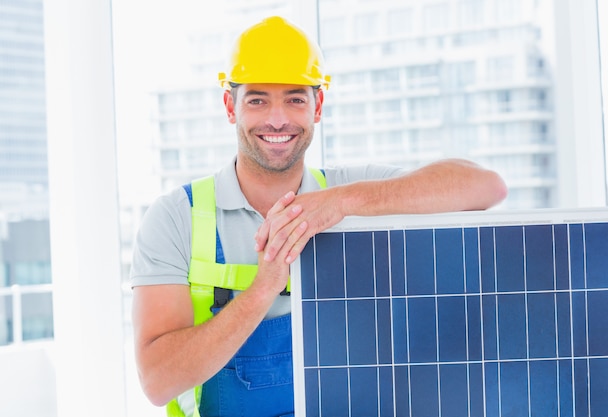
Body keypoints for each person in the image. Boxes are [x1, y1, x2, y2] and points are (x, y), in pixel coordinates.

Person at [130, 15, 507, 417]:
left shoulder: (350, 192)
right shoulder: (176, 218)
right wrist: (263, 289)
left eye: (295, 98)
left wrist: (341, 203)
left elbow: (485, 187)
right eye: (258, 99)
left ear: (318, 106)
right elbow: (158, 382)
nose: (277, 119)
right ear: (230, 106)